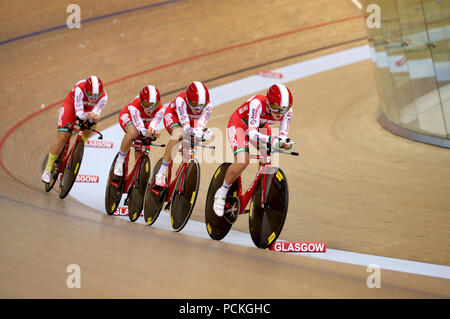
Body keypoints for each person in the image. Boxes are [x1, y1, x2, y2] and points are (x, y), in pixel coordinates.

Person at [213, 83, 295, 216]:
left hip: (260, 127)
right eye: (276, 108)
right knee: (243, 160)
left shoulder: (288, 112)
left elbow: (282, 136)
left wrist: (285, 142)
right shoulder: (257, 104)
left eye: (283, 109)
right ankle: (221, 193)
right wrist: (273, 140)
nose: (279, 113)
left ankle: (259, 191)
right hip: (240, 124)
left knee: (268, 154)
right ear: (268, 103)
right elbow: (252, 133)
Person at [41, 75, 108, 183]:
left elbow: (95, 114)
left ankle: (81, 146)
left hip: (88, 110)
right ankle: (48, 170)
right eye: (91, 94)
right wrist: (89, 115)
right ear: (86, 91)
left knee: (92, 122)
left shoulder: (104, 97)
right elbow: (80, 115)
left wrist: (93, 117)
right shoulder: (79, 89)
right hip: (72, 106)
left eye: (97, 95)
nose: (94, 98)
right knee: (63, 136)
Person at [153, 81, 213, 188]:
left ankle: (179, 178)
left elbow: (199, 126)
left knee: (190, 148)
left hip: (191, 121)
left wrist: (201, 133)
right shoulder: (181, 100)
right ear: (188, 99)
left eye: (201, 106)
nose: (198, 109)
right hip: (174, 116)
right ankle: (161, 172)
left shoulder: (208, 106)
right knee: (179, 134)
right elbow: (185, 125)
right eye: (194, 105)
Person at [114, 85, 165, 176]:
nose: (150, 109)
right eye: (147, 105)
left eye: (154, 106)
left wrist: (154, 132)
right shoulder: (135, 105)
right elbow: (140, 127)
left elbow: (152, 126)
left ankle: (135, 176)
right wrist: (146, 132)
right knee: (134, 132)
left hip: (145, 122)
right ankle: (120, 160)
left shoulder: (160, 109)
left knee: (142, 152)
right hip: (129, 117)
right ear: (141, 102)